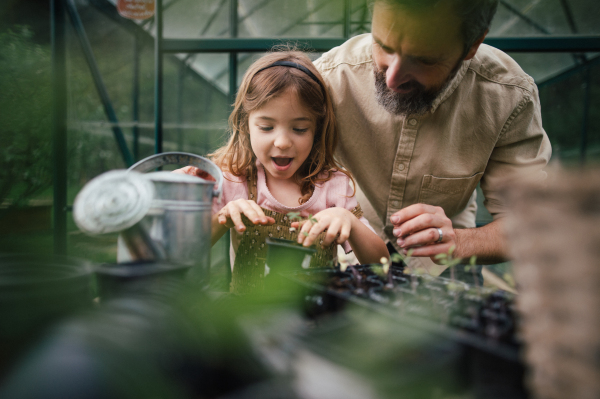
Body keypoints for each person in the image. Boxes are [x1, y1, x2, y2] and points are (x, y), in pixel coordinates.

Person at [314, 0, 551, 272]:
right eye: (384, 46)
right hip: (351, 257)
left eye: (424, 59)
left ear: (472, 45)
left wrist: (460, 242)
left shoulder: (509, 95)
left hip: (446, 264)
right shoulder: (329, 79)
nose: (392, 78)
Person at [177, 51, 388, 293]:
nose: (282, 142)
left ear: (317, 130)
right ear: (246, 125)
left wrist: (349, 220)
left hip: (319, 323)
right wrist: (223, 217)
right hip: (248, 323)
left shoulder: (333, 185)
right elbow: (186, 253)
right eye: (267, 127)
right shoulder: (235, 179)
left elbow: (381, 267)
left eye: (299, 129)